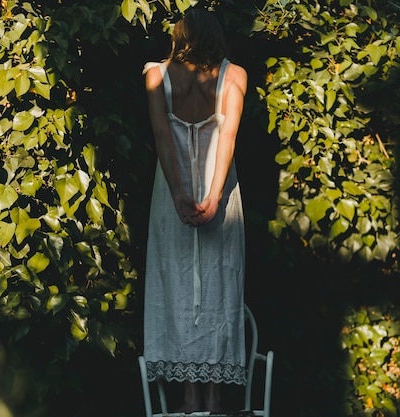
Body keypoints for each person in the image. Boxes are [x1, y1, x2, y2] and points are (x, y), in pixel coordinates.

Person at [142, 8, 248, 414]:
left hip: (172, 198)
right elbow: (229, 135)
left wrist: (179, 194)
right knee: (220, 285)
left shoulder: (157, 74)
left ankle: (189, 398)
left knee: (177, 286)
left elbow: (160, 135)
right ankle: (213, 399)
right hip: (219, 195)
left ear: (179, 35)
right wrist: (215, 195)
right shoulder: (234, 75)